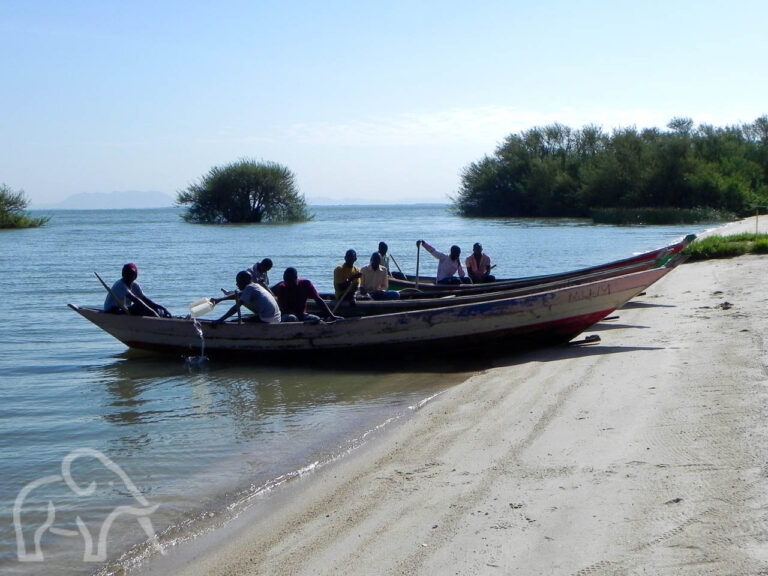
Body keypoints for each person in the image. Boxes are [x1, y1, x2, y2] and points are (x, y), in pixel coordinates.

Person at [272, 267, 342, 322]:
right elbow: (282, 308)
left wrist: (331, 316)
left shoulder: (305, 284)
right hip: (286, 315)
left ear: (296, 278)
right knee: (292, 318)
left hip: (301, 314)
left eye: (290, 281)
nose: (288, 283)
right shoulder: (282, 287)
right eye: (286, 281)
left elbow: (318, 300)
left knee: (316, 319)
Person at [212, 270, 281, 324]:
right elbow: (239, 295)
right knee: (243, 318)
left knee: (234, 321)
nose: (237, 284)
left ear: (243, 282)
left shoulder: (249, 288)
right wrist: (220, 299)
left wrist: (220, 320)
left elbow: (237, 306)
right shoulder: (254, 286)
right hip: (276, 318)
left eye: (237, 282)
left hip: (268, 320)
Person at [103, 263, 171, 317]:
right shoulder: (120, 285)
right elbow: (136, 301)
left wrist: (161, 308)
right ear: (123, 274)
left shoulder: (135, 285)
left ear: (135, 276)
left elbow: (145, 300)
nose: (129, 276)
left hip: (125, 309)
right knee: (139, 307)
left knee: (153, 309)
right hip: (112, 310)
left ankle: (163, 317)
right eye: (127, 274)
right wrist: (153, 313)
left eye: (132, 274)